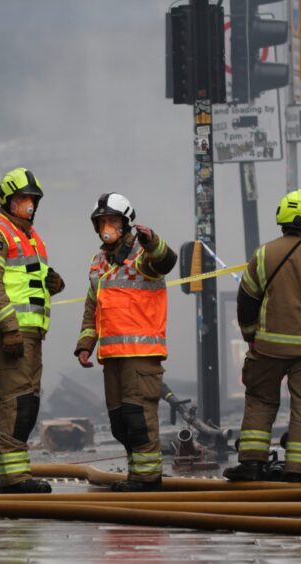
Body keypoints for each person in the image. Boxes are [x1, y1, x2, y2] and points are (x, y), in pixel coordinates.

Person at [224, 189, 301, 483]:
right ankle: (298, 471)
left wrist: (250, 334)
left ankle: (251, 464)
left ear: (281, 216)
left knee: (260, 400)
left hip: (267, 347)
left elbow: (246, 300)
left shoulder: (263, 254)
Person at [74, 193, 177, 492]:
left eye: (112, 220)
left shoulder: (142, 254)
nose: (106, 226)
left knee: (138, 417)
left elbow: (165, 261)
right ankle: (137, 475)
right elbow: (93, 306)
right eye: (102, 221)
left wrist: (152, 240)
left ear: (126, 222)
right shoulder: (99, 261)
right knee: (120, 422)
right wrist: (86, 343)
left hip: (141, 354)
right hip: (112, 355)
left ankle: (147, 479)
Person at [0, 167, 65, 494]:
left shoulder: (29, 236)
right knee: (18, 402)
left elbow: (23, 282)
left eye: (32, 199)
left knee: (24, 402)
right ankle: (14, 479)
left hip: (30, 333)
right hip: (7, 334)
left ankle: (6, 475)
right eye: (22, 198)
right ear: (7, 201)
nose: (29, 204)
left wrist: (52, 284)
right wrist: (10, 328)